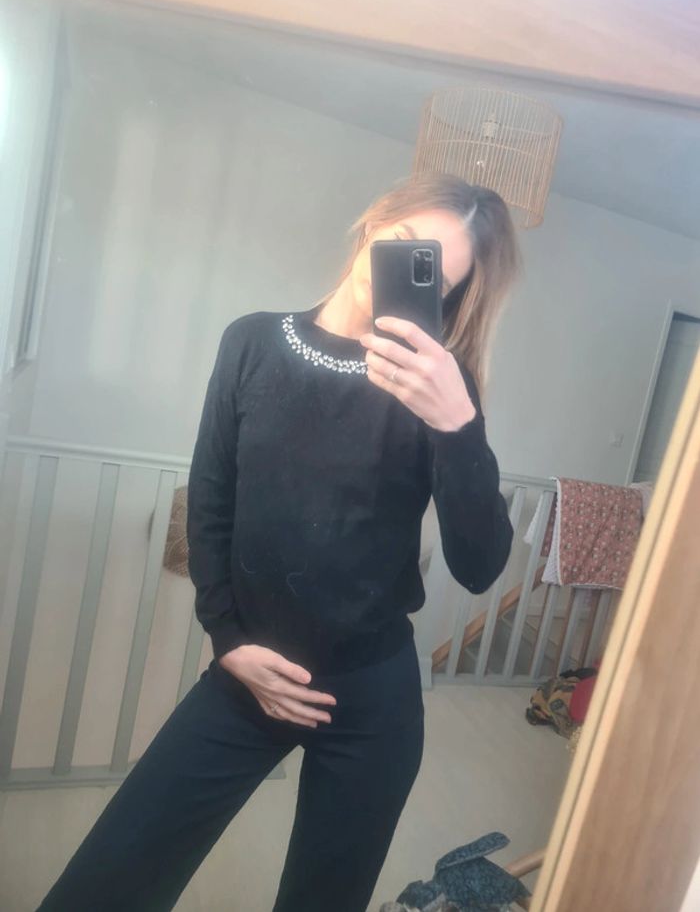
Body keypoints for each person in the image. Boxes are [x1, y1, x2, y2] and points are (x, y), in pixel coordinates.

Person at [38, 173, 520, 912]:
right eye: (403, 242)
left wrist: (459, 424)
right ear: (374, 223)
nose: (402, 267)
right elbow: (211, 502)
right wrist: (227, 638)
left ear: (448, 297)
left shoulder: (438, 390)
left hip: (372, 702)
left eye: (433, 272)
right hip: (247, 675)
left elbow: (480, 566)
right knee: (104, 883)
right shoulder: (253, 341)